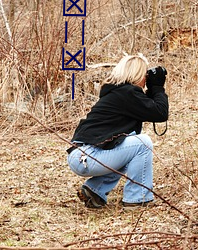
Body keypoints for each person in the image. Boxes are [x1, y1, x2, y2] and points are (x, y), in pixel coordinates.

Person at [67, 54, 169, 209]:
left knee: (127, 148)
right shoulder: (127, 93)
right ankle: (137, 199)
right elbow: (160, 113)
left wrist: (153, 88)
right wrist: (157, 87)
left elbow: (149, 108)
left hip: (82, 155)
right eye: (144, 74)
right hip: (87, 156)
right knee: (142, 143)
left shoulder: (119, 93)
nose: (145, 78)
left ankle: (94, 190)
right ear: (136, 74)